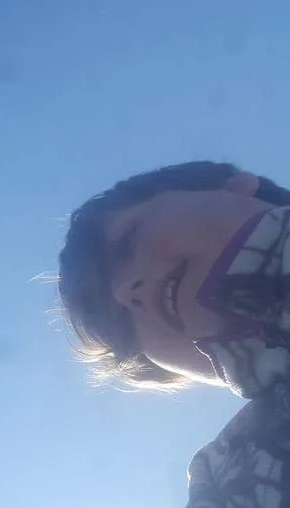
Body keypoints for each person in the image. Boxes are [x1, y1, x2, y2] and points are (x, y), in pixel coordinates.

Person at [57, 160, 290, 507]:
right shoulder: (227, 478)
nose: (125, 292)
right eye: (125, 327)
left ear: (238, 186)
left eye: (128, 242)